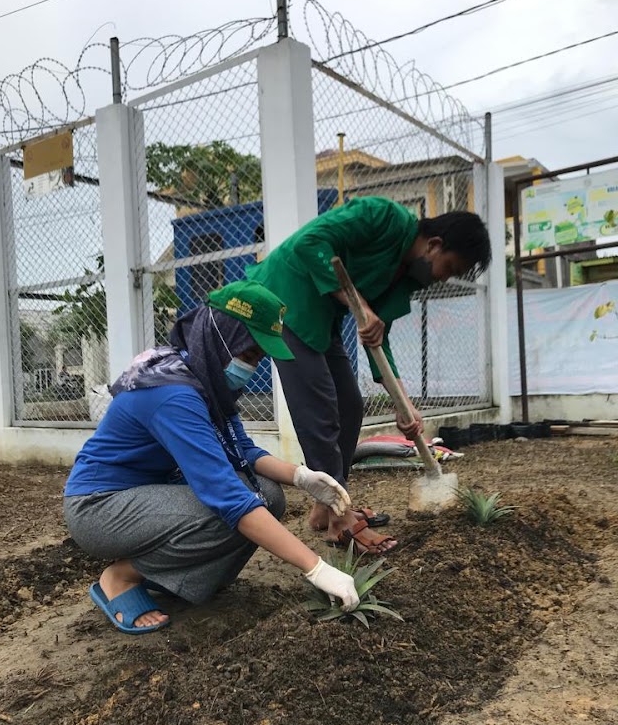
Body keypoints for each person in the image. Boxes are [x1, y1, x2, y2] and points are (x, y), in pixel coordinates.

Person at [64, 280, 359, 635]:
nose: (251, 366)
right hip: (100, 507)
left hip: (150, 492)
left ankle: (184, 578)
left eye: (258, 359)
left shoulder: (205, 379)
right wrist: (316, 568)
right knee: (230, 512)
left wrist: (301, 477)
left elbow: (241, 451)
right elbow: (226, 495)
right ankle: (123, 576)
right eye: (248, 354)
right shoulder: (173, 394)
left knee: (268, 495)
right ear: (222, 338)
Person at [247, 196, 491, 555]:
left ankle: (324, 506)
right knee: (320, 410)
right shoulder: (381, 216)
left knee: (349, 406)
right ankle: (340, 519)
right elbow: (309, 244)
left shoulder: (405, 277)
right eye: (448, 267)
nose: (443, 278)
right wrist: (359, 305)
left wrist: (404, 405)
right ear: (435, 245)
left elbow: (380, 338)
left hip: (320, 318)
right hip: (283, 300)